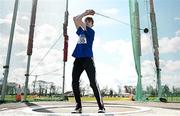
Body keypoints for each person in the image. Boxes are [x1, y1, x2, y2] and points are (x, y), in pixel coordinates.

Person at [71, 9, 105, 113]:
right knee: (74, 82)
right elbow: (75, 19)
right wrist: (85, 13)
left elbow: (78, 19)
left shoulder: (91, 32)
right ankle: (78, 106)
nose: (87, 22)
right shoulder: (81, 31)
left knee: (93, 83)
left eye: (89, 21)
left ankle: (101, 106)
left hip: (88, 60)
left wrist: (86, 13)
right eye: (86, 21)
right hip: (78, 59)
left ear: (92, 25)